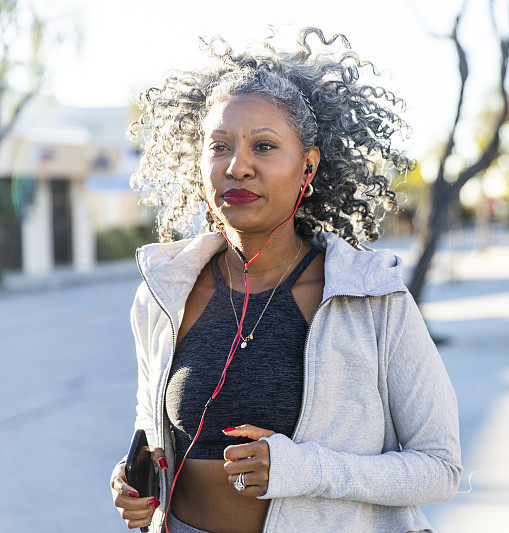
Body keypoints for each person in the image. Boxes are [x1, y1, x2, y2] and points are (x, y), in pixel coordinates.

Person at [107, 26, 462, 533]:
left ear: (308, 167)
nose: (238, 167)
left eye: (265, 147)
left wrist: (302, 469)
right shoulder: (164, 293)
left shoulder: (371, 300)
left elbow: (440, 469)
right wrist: (135, 483)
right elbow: (151, 428)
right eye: (219, 147)